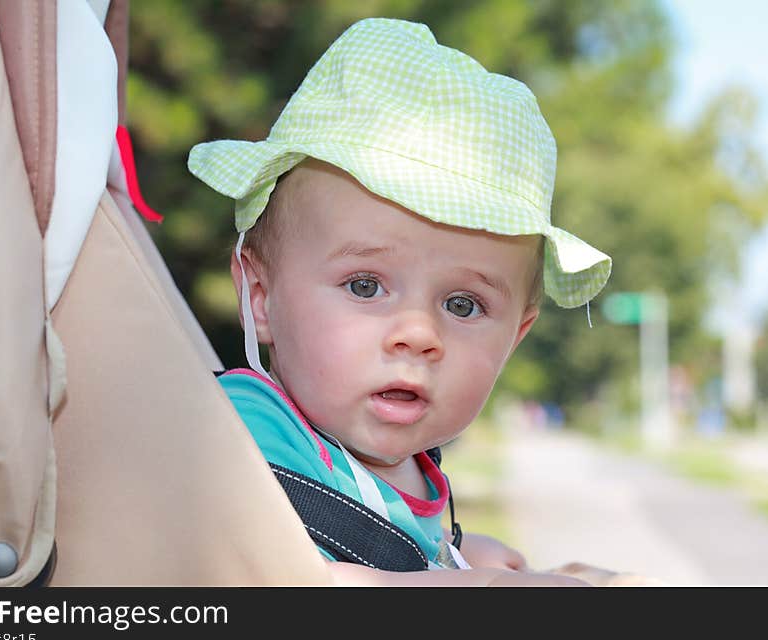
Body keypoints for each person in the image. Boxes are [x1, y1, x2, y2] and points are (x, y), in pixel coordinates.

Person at [187, 18, 612, 585]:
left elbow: (383, 548)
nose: (419, 333)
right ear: (260, 298)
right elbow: (278, 578)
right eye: (365, 285)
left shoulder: (414, 466)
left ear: (515, 336)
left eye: (463, 306)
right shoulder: (249, 429)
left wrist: (456, 557)